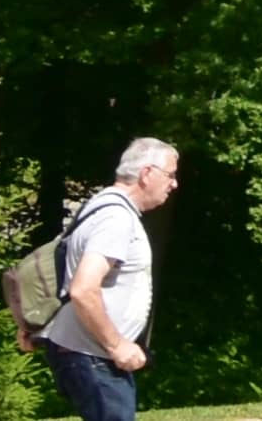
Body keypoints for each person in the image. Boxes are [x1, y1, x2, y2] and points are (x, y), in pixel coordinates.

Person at [34, 139, 180, 421]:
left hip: (86, 353)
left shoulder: (99, 206)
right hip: (94, 356)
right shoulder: (115, 218)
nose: (174, 184)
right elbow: (82, 289)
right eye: (171, 175)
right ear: (147, 173)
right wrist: (117, 345)